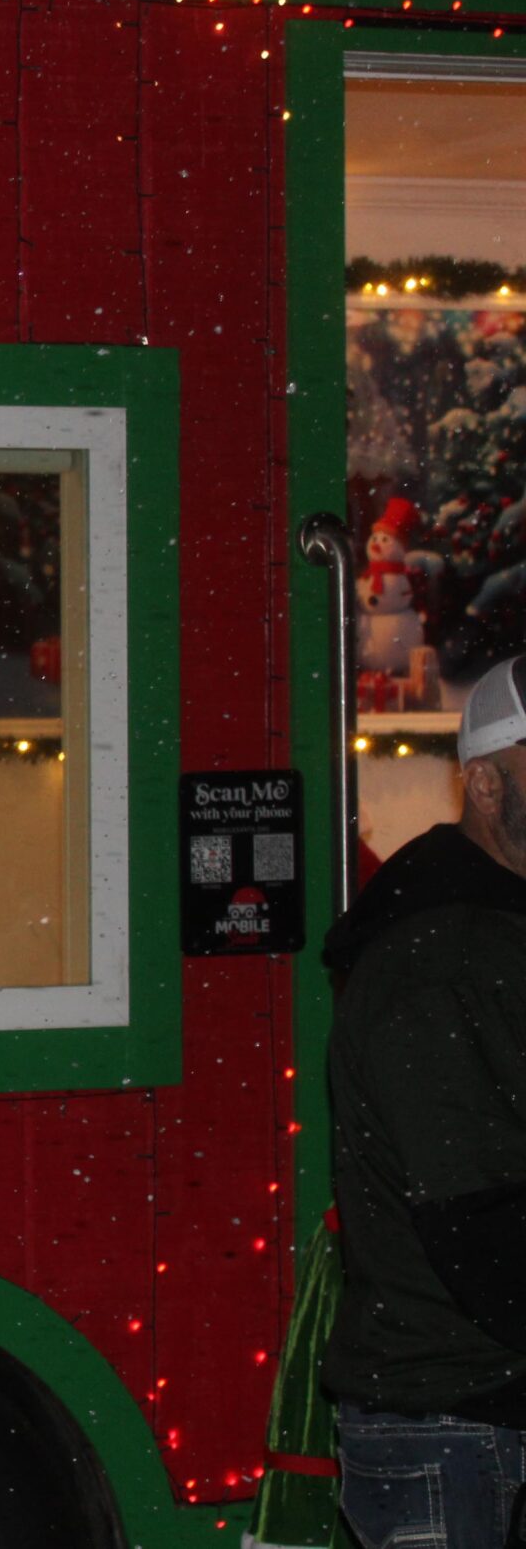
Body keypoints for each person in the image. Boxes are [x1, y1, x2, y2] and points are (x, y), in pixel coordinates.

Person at [325, 653, 526, 1549]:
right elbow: (480, 1218)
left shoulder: (491, 936)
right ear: (484, 783)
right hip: (458, 1425)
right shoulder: (443, 958)